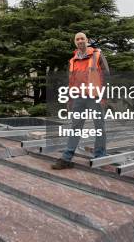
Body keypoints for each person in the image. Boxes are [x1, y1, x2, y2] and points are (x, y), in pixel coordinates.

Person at [52, 32, 109, 170]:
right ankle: (66, 158)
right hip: (78, 97)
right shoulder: (73, 61)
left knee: (99, 127)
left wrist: (103, 96)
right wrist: (70, 99)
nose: (80, 41)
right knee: (75, 128)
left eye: (82, 38)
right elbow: (71, 81)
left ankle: (100, 157)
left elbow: (106, 75)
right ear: (75, 42)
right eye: (77, 39)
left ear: (87, 40)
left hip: (94, 96)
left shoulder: (97, 54)